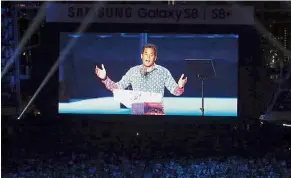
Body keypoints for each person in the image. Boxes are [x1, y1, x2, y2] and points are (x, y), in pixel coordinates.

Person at [95, 43, 187, 97]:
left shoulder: (163, 72)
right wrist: (105, 78)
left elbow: (176, 92)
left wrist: (180, 86)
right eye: (146, 54)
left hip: (156, 111)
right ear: (141, 56)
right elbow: (118, 88)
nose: (148, 57)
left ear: (155, 57)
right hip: (137, 112)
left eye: (151, 55)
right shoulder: (133, 71)